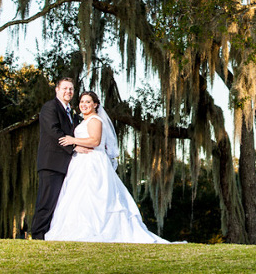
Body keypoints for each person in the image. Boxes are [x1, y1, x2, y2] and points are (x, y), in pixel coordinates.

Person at [44, 90, 169, 243]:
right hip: (80, 162)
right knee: (78, 195)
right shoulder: (83, 121)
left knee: (94, 194)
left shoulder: (95, 120)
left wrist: (73, 140)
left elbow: (95, 141)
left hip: (93, 162)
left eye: (88, 102)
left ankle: (96, 229)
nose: (84, 105)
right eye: (82, 102)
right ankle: (78, 228)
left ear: (95, 104)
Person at [31, 77, 85, 240]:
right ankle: (38, 234)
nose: (68, 91)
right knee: (47, 201)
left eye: (71, 89)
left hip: (67, 165)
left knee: (61, 202)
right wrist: (74, 146)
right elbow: (54, 131)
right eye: (65, 88)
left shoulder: (73, 113)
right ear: (57, 90)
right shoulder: (50, 107)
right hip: (51, 163)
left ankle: (50, 234)